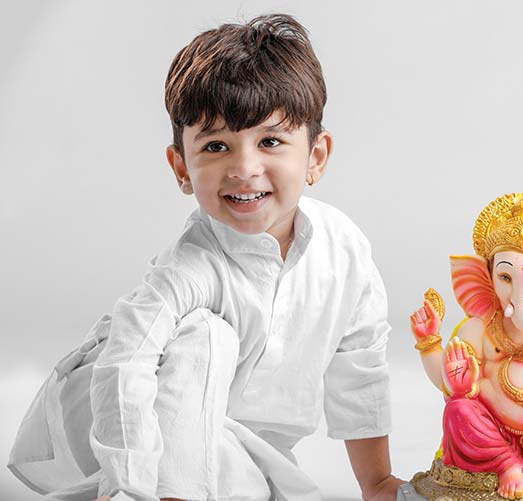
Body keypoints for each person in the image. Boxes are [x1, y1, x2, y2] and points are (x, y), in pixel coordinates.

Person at [8, 14, 402, 501]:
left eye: (270, 142)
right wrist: (131, 486)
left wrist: (377, 482)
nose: (243, 168)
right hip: (119, 426)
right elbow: (124, 366)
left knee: (259, 483)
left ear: (316, 157)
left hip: (231, 444)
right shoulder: (191, 267)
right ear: (182, 168)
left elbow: (359, 365)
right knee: (205, 332)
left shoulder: (344, 250)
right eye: (216, 146)